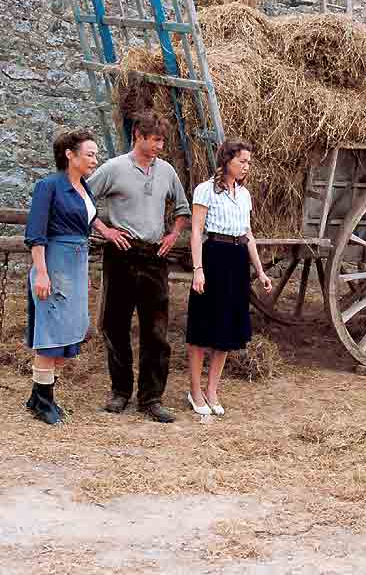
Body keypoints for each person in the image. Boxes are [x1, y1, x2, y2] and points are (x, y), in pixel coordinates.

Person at [87, 112, 191, 423]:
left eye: (162, 139)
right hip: (122, 253)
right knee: (116, 325)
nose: (160, 145)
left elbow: (183, 208)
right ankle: (120, 392)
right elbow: (80, 196)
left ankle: (151, 398)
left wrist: (173, 233)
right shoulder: (115, 168)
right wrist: (105, 230)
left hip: (154, 256)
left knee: (156, 330)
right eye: (155, 139)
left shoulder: (167, 171)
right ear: (138, 136)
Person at [185, 140, 272, 416]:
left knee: (226, 329)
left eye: (248, 162)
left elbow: (247, 235)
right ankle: (195, 391)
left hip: (236, 262)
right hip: (214, 257)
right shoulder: (205, 190)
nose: (246, 167)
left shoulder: (244, 195)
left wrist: (259, 271)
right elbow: (197, 232)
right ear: (226, 161)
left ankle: (212, 390)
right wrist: (198, 270)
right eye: (242, 161)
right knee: (202, 327)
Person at [24, 130, 98, 424]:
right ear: (70, 154)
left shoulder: (84, 187)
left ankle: (37, 395)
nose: (95, 159)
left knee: (69, 333)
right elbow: (36, 234)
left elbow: (88, 221)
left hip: (76, 266)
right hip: (54, 264)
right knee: (51, 333)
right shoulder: (49, 186)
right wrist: (41, 273)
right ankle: (43, 402)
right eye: (90, 154)